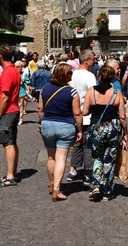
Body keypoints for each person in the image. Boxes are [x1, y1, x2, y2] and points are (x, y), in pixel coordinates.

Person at [38, 63, 83, 201]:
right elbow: (77, 113)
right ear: (64, 75)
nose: (72, 75)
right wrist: (79, 130)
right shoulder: (72, 92)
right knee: (61, 158)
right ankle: (57, 190)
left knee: (51, 157)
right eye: (70, 73)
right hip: (65, 126)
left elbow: (40, 109)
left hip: (47, 124)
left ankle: (51, 185)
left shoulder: (44, 89)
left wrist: (42, 123)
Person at [82, 65, 127, 201]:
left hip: (97, 128)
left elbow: (84, 112)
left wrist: (93, 109)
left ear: (99, 76)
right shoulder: (116, 93)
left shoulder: (91, 91)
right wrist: (125, 133)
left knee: (97, 157)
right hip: (112, 129)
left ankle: (96, 186)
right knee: (110, 159)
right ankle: (107, 190)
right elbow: (123, 116)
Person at [66, 49, 97, 184]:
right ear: (86, 60)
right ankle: (88, 171)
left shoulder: (71, 75)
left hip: (72, 115)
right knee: (88, 144)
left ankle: (73, 169)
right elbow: (93, 96)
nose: (94, 61)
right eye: (93, 59)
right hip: (86, 115)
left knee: (76, 143)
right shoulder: (89, 76)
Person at [0, 45, 22, 187]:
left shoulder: (7, 72)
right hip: (13, 110)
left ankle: (10, 176)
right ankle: (13, 172)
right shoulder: (14, 70)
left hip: (7, 111)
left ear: (0, 57)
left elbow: (5, 96)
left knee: (8, 144)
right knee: (12, 142)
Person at [16, 61, 30, 126]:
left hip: (21, 92)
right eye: (18, 67)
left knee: (20, 105)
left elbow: (28, 82)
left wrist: (25, 81)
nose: (20, 68)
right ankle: (15, 118)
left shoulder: (24, 74)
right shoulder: (14, 74)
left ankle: (20, 119)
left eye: (21, 67)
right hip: (14, 92)